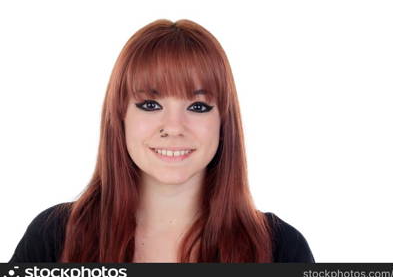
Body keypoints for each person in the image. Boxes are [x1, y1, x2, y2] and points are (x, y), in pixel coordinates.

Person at [9, 19, 315, 263]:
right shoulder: (55, 238)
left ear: (224, 122)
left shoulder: (280, 251)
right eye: (150, 105)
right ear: (120, 117)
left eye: (197, 107)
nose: (173, 127)